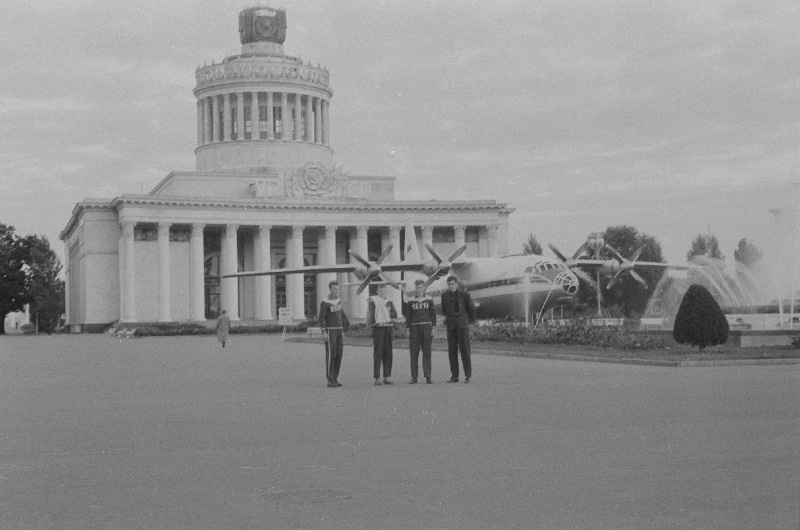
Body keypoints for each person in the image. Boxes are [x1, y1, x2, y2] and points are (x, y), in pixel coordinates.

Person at [440, 275, 476, 383]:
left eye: (452, 284)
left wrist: (470, 322)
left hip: (462, 325)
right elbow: (444, 310)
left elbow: (471, 309)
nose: (450, 286)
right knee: (452, 351)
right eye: (449, 284)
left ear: (456, 284)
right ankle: (454, 376)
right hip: (451, 326)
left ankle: (468, 376)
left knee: (465, 350)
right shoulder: (444, 296)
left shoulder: (464, 295)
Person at [403, 279, 437, 384]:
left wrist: (433, 328)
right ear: (415, 288)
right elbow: (408, 316)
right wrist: (407, 329)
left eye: (421, 287)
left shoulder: (429, 299)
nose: (419, 289)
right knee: (414, 352)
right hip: (414, 327)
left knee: (427, 352)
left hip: (426, 327)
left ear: (424, 288)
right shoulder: (411, 300)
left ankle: (428, 376)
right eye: (417, 288)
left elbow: (433, 315)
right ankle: (414, 377)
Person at [319, 281, 349, 388]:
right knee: (332, 355)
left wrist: (344, 329)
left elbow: (341, 316)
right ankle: (330, 380)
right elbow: (321, 318)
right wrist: (324, 332)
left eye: (337, 289)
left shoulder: (338, 301)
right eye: (334, 289)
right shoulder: (325, 302)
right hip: (330, 330)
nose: (336, 291)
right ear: (330, 289)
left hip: (339, 331)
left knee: (339, 354)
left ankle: (335, 378)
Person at [366, 284, 398, 385]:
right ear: (377, 292)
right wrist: (371, 324)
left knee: (388, 352)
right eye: (380, 291)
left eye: (384, 291)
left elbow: (395, 314)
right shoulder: (373, 301)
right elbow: (371, 314)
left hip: (388, 328)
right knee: (378, 352)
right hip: (378, 328)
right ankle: (377, 377)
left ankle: (387, 376)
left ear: (386, 292)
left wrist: (387, 312)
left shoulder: (389, 302)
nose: (382, 293)